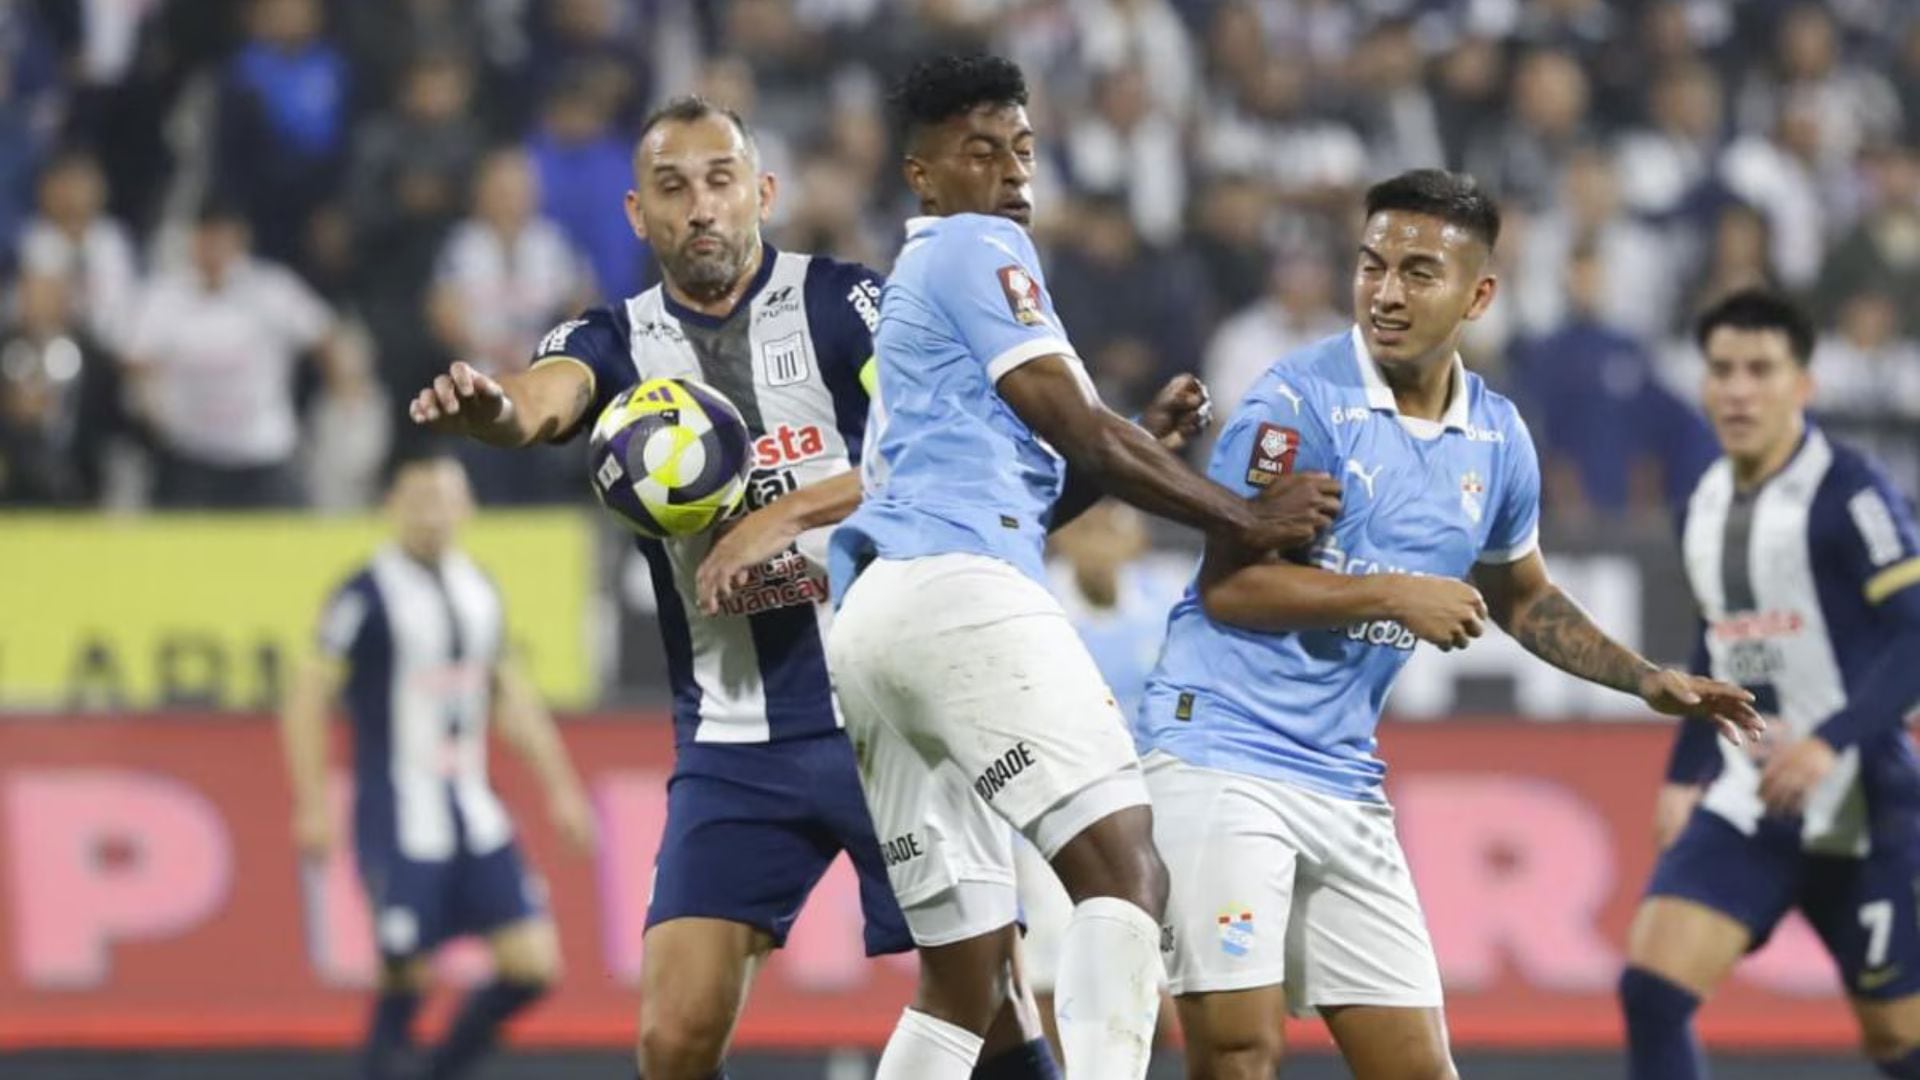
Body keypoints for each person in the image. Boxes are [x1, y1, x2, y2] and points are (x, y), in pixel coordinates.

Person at [406, 96, 1088, 1080]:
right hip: (733, 743)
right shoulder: (610, 341)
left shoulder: (845, 304)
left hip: (888, 713)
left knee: (988, 1004)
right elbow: (541, 398)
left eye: (721, 182)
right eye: (673, 189)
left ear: (761, 194)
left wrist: (787, 514)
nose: (702, 208)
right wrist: (495, 411)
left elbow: (942, 457)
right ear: (638, 214)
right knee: (671, 1042)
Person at [1133, 169, 1762, 1080]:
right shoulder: (1294, 404)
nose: (1386, 293)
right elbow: (1230, 589)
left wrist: (1645, 678)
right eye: (1372, 265)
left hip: (1343, 775)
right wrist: (1392, 593)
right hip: (1222, 754)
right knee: (1239, 1051)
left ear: (1480, 293)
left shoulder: (1499, 436)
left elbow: (1523, 595)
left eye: (1419, 272)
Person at [822, 54, 1340, 1080]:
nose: (1014, 173)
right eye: (982, 151)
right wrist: (1240, 515)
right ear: (922, 174)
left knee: (965, 981)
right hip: (961, 597)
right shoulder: (976, 248)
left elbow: (1035, 492)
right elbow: (1077, 426)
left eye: (1022, 149)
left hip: (878, 624)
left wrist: (1138, 440)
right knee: (1124, 874)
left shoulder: (922, 286)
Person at [1620, 289, 1920, 1080]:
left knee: (1900, 1042)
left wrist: (1831, 742)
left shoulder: (1850, 493)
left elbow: (1915, 632)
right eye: (1722, 369)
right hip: (1752, 802)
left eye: (1761, 369)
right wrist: (1686, 775)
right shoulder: (1700, 508)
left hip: (1867, 805)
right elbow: (1717, 645)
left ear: (1803, 386)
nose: (1739, 389)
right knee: (1650, 991)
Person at [278, 454, 595, 1080]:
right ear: (389, 506)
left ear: (467, 508)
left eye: (443, 498)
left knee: (533, 966)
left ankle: (437, 1071)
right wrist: (311, 802)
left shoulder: (480, 588)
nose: (430, 513)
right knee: (407, 970)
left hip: (474, 810)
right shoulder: (362, 595)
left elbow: (508, 694)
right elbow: (308, 694)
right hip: (398, 811)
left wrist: (561, 789)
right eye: (416, 497)